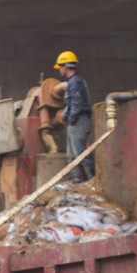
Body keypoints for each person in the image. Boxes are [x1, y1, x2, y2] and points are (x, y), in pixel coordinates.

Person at [56, 51, 93, 181]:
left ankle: (91, 182)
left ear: (66, 66)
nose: (60, 69)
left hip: (79, 120)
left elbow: (77, 104)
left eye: (60, 66)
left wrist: (71, 120)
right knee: (72, 154)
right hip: (77, 119)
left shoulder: (75, 82)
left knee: (80, 153)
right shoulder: (75, 81)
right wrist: (65, 114)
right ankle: (77, 182)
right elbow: (73, 103)